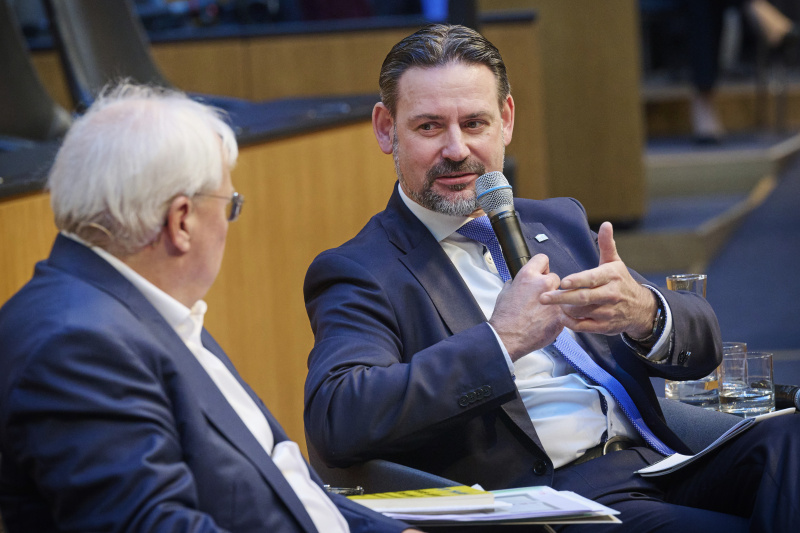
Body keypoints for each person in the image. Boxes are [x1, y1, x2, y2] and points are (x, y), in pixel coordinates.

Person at [303, 24, 800, 531]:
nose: (456, 149)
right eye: (429, 127)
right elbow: (338, 418)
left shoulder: (556, 221)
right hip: (558, 497)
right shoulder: (364, 269)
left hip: (663, 459)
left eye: (474, 123)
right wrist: (500, 342)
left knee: (792, 441)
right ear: (387, 129)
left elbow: (703, 344)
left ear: (506, 120)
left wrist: (646, 314)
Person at [0, 83, 417, 533]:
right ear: (181, 221)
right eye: (230, 204)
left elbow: (286, 489)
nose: (229, 221)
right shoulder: (79, 345)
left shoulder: (139, 308)